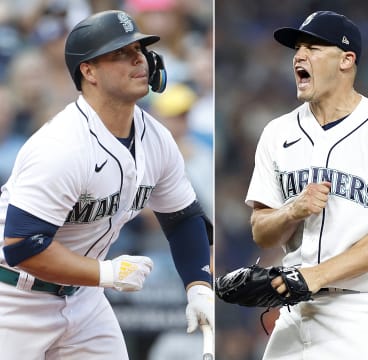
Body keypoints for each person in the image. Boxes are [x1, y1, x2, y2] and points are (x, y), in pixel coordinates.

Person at [0, 10, 213, 359]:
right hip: (13, 298)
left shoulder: (157, 139)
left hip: (84, 300)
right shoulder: (62, 146)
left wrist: (199, 286)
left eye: (140, 50)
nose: (138, 60)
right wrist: (107, 272)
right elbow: (23, 246)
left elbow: (183, 218)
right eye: (121, 53)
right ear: (88, 71)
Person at [244, 10, 368, 359]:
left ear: (346, 60)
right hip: (295, 310)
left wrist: (317, 275)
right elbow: (262, 232)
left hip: (363, 310)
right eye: (297, 48)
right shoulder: (277, 133)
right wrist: (292, 210)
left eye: (313, 47)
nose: (299, 56)